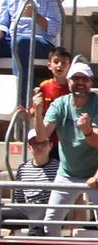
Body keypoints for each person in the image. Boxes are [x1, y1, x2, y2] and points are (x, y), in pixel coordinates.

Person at [37, 61, 98, 234]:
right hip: (67, 173)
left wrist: (87, 131)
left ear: (91, 82)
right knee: (50, 224)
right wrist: (39, 112)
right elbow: (42, 138)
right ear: (68, 81)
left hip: (96, 174)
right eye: (75, 78)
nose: (80, 82)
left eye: (84, 79)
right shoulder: (59, 104)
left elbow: (97, 141)